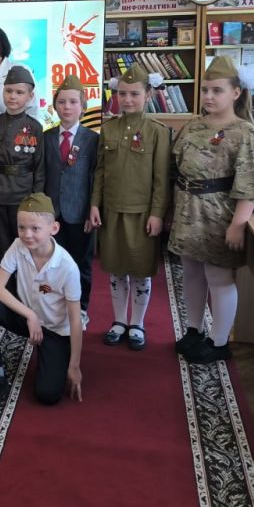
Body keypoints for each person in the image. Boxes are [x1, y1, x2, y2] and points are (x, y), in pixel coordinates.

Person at [169, 56, 254, 364]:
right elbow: (176, 166)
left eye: (217, 90)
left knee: (218, 277)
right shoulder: (193, 126)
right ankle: (194, 330)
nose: (209, 96)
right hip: (188, 212)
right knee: (191, 274)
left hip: (219, 216)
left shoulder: (246, 134)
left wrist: (238, 225)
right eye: (205, 90)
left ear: (236, 93)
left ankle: (219, 340)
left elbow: (250, 185)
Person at [88, 64, 170, 351]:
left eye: (134, 94)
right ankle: (119, 320)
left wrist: (157, 213)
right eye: (122, 93)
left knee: (139, 270)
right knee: (115, 269)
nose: (127, 99)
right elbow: (100, 171)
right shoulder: (108, 128)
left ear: (148, 95)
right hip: (112, 211)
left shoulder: (157, 132)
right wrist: (95, 204)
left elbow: (161, 178)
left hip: (142, 214)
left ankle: (137, 323)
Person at [0, 193, 83, 409]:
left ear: (53, 228)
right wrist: (30, 315)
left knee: (48, 394)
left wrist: (74, 365)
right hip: (27, 318)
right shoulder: (18, 246)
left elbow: (75, 320)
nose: (27, 234)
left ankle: (53, 355)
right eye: (22, 227)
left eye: (35, 228)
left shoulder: (68, 267)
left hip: (54, 329)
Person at [43, 74, 99, 331]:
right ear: (55, 105)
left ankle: (81, 308)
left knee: (80, 263)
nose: (67, 107)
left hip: (80, 212)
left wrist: (91, 210)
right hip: (53, 214)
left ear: (83, 106)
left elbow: (95, 177)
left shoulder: (92, 139)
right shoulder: (46, 137)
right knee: (53, 262)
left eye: (73, 102)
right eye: (62, 102)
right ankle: (55, 308)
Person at [0, 65, 45, 260]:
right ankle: (4, 280)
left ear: (30, 96)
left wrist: (35, 200)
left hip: (23, 195)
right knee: (1, 245)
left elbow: (40, 168)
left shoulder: (35, 128)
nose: (13, 96)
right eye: (8, 91)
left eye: (19, 92)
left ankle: (25, 281)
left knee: (25, 244)